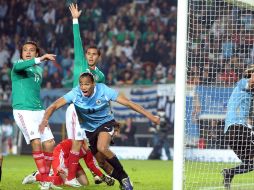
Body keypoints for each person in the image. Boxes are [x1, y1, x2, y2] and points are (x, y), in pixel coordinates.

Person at [38, 72, 160, 190]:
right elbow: (54, 105)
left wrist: (151, 116)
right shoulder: (75, 93)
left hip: (106, 123)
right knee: (101, 163)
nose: (83, 87)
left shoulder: (104, 90)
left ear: (93, 84)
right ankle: (121, 180)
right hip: (89, 130)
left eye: (86, 84)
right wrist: (45, 119)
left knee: (102, 147)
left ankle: (124, 177)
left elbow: (128, 103)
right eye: (81, 84)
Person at [64, 4, 111, 187]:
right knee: (78, 143)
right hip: (76, 109)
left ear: (99, 57)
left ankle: (97, 173)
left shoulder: (100, 76)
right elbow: (78, 40)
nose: (90, 57)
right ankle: (70, 176)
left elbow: (102, 96)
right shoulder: (80, 63)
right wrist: (75, 19)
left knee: (88, 146)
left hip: (91, 114)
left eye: (94, 55)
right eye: (88, 54)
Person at [11, 41, 57, 190]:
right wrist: (41, 58)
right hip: (23, 110)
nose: (28, 52)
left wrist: (38, 62)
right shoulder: (18, 65)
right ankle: (45, 180)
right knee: (36, 141)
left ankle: (41, 176)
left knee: (49, 143)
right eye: (25, 50)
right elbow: (19, 66)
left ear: (36, 53)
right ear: (22, 54)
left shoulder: (39, 71)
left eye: (32, 50)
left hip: (38, 111)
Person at [22, 139, 114, 187]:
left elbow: (91, 165)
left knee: (84, 183)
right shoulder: (77, 142)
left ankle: (52, 174)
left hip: (72, 163)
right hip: (60, 157)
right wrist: (60, 168)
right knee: (63, 182)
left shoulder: (89, 150)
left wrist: (104, 178)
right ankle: (37, 176)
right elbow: (61, 152)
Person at [222, 65, 254, 189]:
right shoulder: (242, 83)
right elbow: (252, 81)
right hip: (237, 128)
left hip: (233, 132)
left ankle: (229, 172)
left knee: (251, 164)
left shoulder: (250, 94)